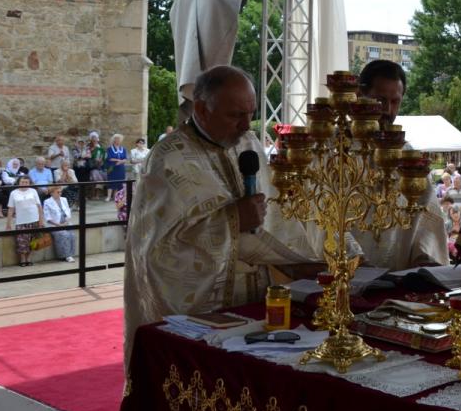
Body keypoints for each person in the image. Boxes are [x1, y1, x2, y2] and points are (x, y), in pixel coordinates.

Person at [122, 65, 326, 367]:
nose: (246, 125)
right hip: (203, 311)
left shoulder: (248, 144)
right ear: (202, 109)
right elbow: (158, 249)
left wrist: (302, 259)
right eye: (235, 115)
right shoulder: (170, 158)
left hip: (256, 300)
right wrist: (232, 220)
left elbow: (275, 216)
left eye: (250, 113)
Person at [351, 60, 448, 270]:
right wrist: (354, 260)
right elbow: (321, 217)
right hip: (344, 274)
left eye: (395, 101)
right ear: (360, 95)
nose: (387, 110)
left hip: (397, 279)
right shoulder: (334, 149)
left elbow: (425, 218)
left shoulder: (407, 154)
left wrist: (424, 260)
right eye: (380, 100)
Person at [5, 174, 43, 267]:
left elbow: (39, 206)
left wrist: (41, 220)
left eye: (26, 182)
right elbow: (11, 209)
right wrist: (8, 223)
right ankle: (22, 259)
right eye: (22, 182)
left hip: (34, 219)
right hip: (21, 221)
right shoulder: (13, 193)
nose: (24, 184)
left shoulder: (33, 191)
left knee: (33, 241)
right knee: (21, 241)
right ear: (19, 182)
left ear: (29, 183)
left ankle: (29, 258)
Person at [43, 184, 76, 262]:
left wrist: (67, 221)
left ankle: (71, 254)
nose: (60, 194)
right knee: (63, 234)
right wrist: (59, 225)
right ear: (52, 193)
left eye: (60, 192)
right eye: (58, 192)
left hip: (65, 222)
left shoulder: (64, 199)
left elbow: (68, 212)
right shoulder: (47, 202)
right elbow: (48, 217)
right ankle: (66, 256)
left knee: (72, 234)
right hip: (54, 224)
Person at [106, 134, 128, 201]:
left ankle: (116, 196)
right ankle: (108, 196)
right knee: (111, 181)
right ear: (114, 140)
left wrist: (121, 162)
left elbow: (125, 158)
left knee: (120, 182)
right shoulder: (109, 149)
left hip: (120, 168)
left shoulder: (123, 149)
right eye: (116, 139)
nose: (118, 140)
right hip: (112, 167)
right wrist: (118, 160)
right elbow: (109, 158)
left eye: (119, 139)